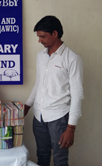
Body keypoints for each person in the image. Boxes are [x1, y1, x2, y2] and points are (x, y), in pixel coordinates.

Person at [25, 16, 84, 166]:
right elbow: (38, 84)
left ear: (55, 34)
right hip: (39, 115)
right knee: (42, 154)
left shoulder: (72, 59)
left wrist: (71, 127)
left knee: (60, 158)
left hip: (59, 117)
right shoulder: (41, 56)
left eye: (42, 36)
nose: (40, 41)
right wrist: (27, 106)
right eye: (38, 37)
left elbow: (77, 95)